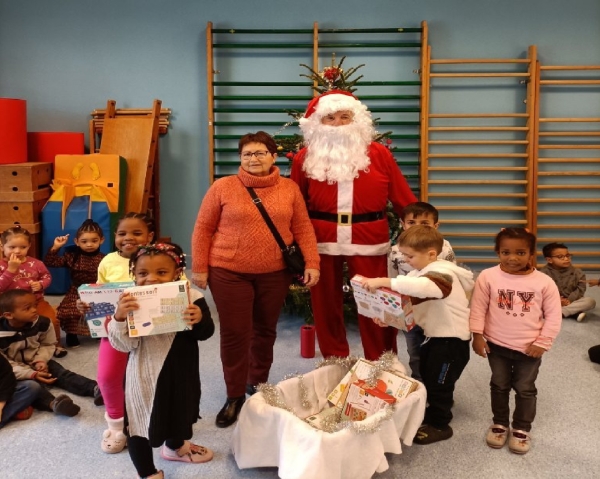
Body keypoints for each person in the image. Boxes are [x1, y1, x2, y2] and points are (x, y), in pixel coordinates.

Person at [191, 131, 320, 428]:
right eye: (247, 154)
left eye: (260, 152)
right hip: (228, 271)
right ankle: (234, 395)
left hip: (274, 273)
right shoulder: (222, 187)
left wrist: (312, 262)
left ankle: (258, 384)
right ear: (240, 158)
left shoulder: (289, 189)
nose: (253, 159)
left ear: (273, 156)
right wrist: (199, 267)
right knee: (236, 333)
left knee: (264, 331)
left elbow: (302, 228)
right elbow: (203, 229)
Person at [291, 89, 417, 361]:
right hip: (320, 238)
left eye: (345, 117)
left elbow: (401, 195)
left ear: (356, 120)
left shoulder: (379, 154)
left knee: (376, 300)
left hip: (369, 236)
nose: (338, 124)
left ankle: (381, 359)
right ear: (318, 124)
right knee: (324, 304)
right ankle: (334, 359)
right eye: (330, 118)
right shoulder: (304, 158)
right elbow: (295, 202)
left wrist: (420, 226)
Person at [109, 243, 215, 479]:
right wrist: (119, 318)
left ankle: (175, 446)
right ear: (133, 274)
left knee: (181, 410)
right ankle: (147, 473)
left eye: (161, 272)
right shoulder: (127, 301)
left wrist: (199, 319)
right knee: (139, 422)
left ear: (177, 273)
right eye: (143, 273)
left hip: (182, 372)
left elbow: (205, 333)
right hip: (143, 375)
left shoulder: (192, 297)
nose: (151, 279)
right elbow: (121, 345)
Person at [360, 226, 473, 445]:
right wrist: (390, 319)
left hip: (451, 341)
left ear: (431, 254)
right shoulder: (419, 273)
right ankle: (433, 411)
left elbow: (423, 288)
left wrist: (384, 281)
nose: (405, 260)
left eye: (410, 256)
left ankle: (441, 424)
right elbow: (412, 304)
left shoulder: (443, 273)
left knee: (440, 382)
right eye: (403, 255)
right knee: (428, 375)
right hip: (436, 337)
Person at [470, 228, 562, 455]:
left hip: (529, 349)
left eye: (520, 253)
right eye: (505, 252)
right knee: (499, 385)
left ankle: (521, 427)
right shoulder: (487, 276)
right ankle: (500, 423)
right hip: (496, 345)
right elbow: (478, 307)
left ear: (531, 254)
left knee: (525, 389)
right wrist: (477, 335)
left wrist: (543, 342)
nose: (512, 258)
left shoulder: (544, 282)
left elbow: (553, 315)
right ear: (497, 252)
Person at [77, 212, 155, 453]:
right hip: (114, 330)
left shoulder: (159, 259)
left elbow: (177, 290)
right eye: (122, 233)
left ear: (150, 237)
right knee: (108, 377)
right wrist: (86, 305)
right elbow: (98, 294)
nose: (128, 238)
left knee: (149, 378)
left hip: (152, 332)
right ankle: (116, 425)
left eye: (137, 233)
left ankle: (149, 420)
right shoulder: (108, 261)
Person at [0, 290, 102, 418]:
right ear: (9, 315)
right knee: (33, 389)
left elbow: (48, 344)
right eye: (27, 308)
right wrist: (30, 374)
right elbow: (4, 366)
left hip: (39, 361)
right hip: (15, 371)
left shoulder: (43, 323)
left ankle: (95, 389)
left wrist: (41, 360)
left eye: (35, 305)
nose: (34, 310)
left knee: (62, 373)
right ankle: (54, 404)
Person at [388, 201, 456, 380]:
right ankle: (419, 385)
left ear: (435, 226)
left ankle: (437, 388)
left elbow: (451, 281)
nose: (417, 228)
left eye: (425, 224)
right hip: (410, 312)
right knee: (414, 352)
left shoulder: (444, 248)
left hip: (436, 313)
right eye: (411, 223)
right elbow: (393, 282)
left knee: (437, 352)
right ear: (403, 225)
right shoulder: (395, 251)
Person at [0, 226, 67, 357]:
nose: (18, 251)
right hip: (7, 306)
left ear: (29, 246)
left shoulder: (35, 263)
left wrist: (41, 284)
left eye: (23, 247)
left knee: (52, 320)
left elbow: (47, 276)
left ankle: (55, 344)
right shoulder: (1, 265)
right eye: (12, 247)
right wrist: (11, 270)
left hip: (35, 302)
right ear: (2, 246)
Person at [44, 219, 106, 348]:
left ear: (101, 240)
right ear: (77, 242)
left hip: (98, 290)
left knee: (103, 309)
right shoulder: (71, 256)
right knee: (68, 312)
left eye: (94, 241)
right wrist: (56, 247)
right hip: (76, 289)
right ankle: (71, 335)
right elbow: (51, 262)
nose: (89, 244)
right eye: (84, 241)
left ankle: (100, 332)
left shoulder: (105, 259)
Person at [538, 242, 596, 322]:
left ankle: (559, 313)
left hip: (571, 301)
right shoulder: (542, 273)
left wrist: (569, 300)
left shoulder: (578, 272)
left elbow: (580, 289)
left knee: (590, 301)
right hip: (551, 301)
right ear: (549, 260)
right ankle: (573, 313)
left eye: (568, 255)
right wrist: (557, 299)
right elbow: (541, 290)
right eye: (560, 257)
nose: (566, 259)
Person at [0, 352, 42, 428]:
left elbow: (7, 378)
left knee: (32, 387)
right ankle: (11, 413)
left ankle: (5, 413)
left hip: (3, 392)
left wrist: (0, 405)